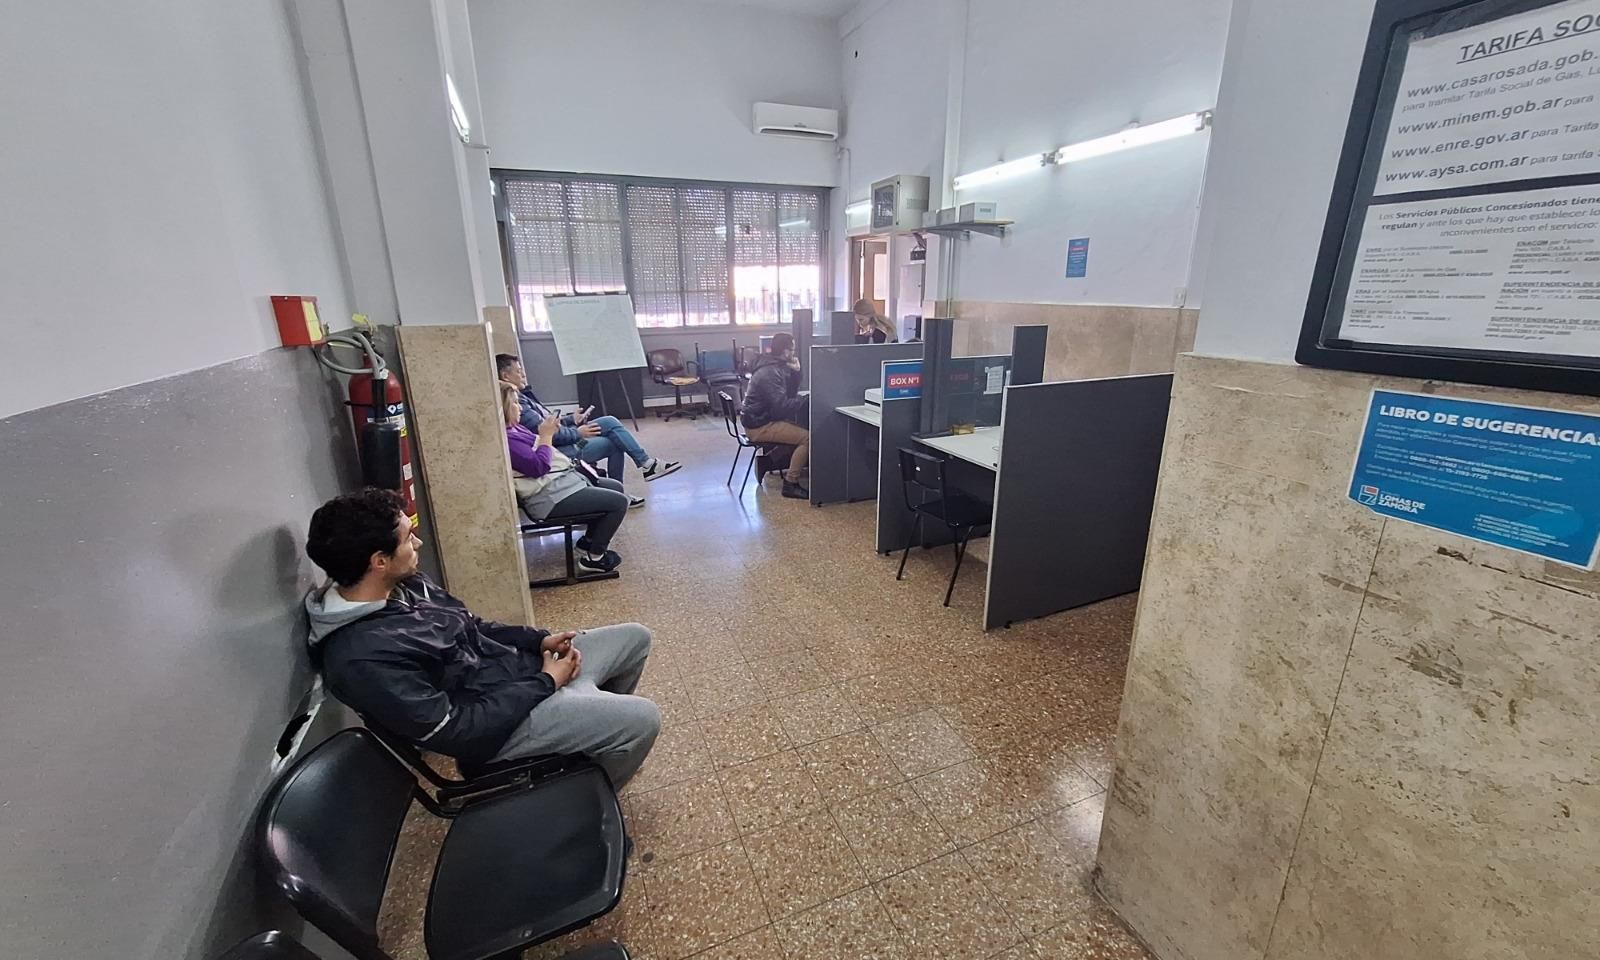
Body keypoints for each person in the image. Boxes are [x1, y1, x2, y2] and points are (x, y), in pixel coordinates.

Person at [304, 487, 660, 786]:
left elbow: (472, 625)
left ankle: (590, 743)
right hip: (498, 728)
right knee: (642, 719)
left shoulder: (402, 585)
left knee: (635, 638)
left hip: (520, 677)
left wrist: (538, 641)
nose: (418, 542)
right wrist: (546, 682)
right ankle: (590, 799)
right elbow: (458, 730)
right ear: (379, 561)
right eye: (408, 537)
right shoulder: (360, 657)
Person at [501, 381, 632, 573]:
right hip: (547, 497)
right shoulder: (509, 440)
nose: (519, 407)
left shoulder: (515, 429)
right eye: (514, 403)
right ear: (502, 408)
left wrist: (550, 431)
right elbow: (539, 467)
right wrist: (546, 436)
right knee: (619, 502)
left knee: (615, 487)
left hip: (558, 482)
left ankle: (588, 541)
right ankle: (594, 557)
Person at [495, 354, 680, 482]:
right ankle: (632, 479)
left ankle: (645, 465)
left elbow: (548, 423)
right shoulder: (516, 402)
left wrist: (570, 420)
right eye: (519, 371)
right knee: (614, 442)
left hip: (564, 438)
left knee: (609, 422)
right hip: (562, 449)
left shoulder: (522, 396)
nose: (523, 374)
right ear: (505, 375)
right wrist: (578, 433)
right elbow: (548, 433)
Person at [741, 333, 810, 500]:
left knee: (799, 429)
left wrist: (796, 373)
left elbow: (788, 395)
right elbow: (781, 407)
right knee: (808, 438)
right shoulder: (770, 372)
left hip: (759, 419)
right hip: (759, 426)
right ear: (785, 351)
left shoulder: (771, 365)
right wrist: (806, 400)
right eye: (792, 350)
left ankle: (767, 462)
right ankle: (791, 483)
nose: (794, 353)